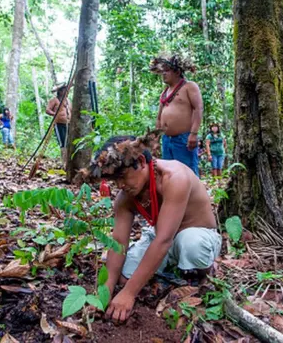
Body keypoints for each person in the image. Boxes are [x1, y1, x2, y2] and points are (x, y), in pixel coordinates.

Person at [77, 133, 222, 323]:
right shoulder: (125, 197)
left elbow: (163, 240)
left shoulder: (174, 177)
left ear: (141, 162)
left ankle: (203, 271)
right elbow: (119, 242)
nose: (120, 185)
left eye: (122, 177)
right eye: (115, 181)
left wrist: (129, 294)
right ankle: (171, 269)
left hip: (195, 234)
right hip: (161, 238)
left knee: (191, 246)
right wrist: (105, 292)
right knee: (124, 275)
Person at [151, 54, 203, 177]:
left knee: (187, 174)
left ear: (177, 71)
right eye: (162, 71)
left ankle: (195, 197)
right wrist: (156, 140)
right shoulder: (164, 92)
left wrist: (193, 134)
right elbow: (159, 118)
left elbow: (198, 108)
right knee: (170, 175)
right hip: (167, 140)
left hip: (184, 139)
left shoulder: (189, 86)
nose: (164, 74)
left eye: (167, 70)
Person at [46, 83, 71, 164]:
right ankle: (64, 162)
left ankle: (69, 160)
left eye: (66, 89)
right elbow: (48, 110)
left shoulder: (68, 101)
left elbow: (71, 111)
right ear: (59, 91)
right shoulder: (54, 100)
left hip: (69, 124)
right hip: (59, 124)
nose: (66, 91)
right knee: (63, 142)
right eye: (63, 89)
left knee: (69, 142)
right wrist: (55, 114)